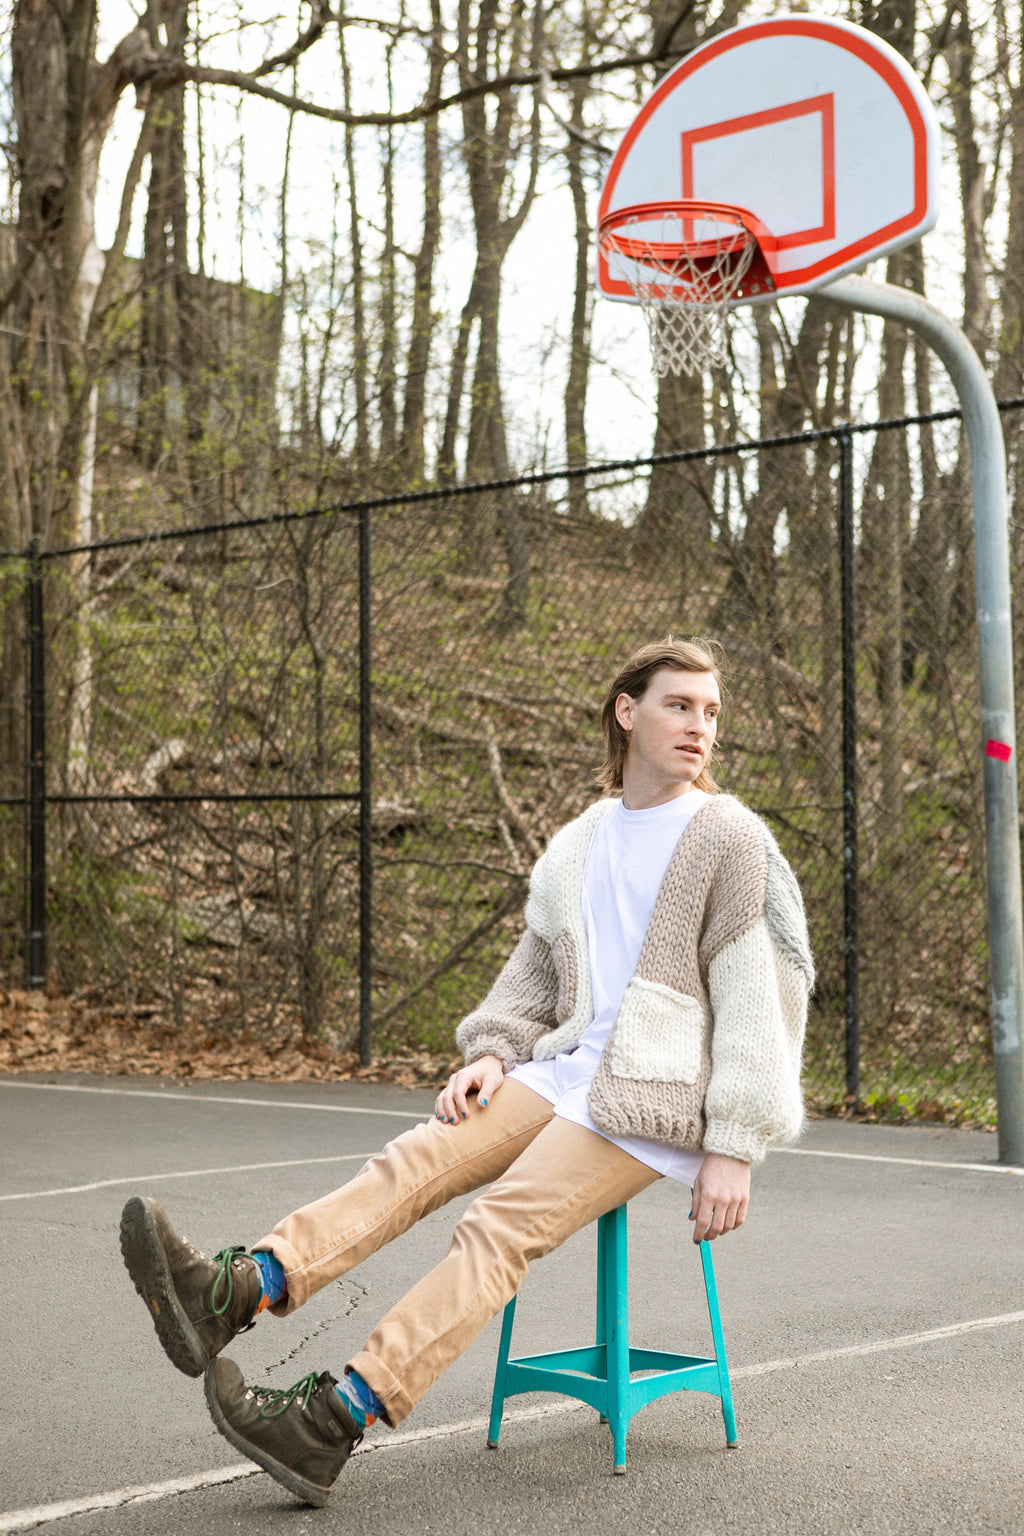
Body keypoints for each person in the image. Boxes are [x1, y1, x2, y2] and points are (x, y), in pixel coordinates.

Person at [119, 636, 813, 1508]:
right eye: (680, 706)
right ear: (626, 711)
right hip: (566, 1074)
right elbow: (532, 975)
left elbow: (765, 996)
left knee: (497, 1228)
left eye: (711, 713)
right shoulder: (581, 842)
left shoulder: (730, 838)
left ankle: (331, 1420)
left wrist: (737, 1142)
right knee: (418, 1158)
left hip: (655, 1102)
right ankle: (237, 1288)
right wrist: (492, 1049)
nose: (699, 727)